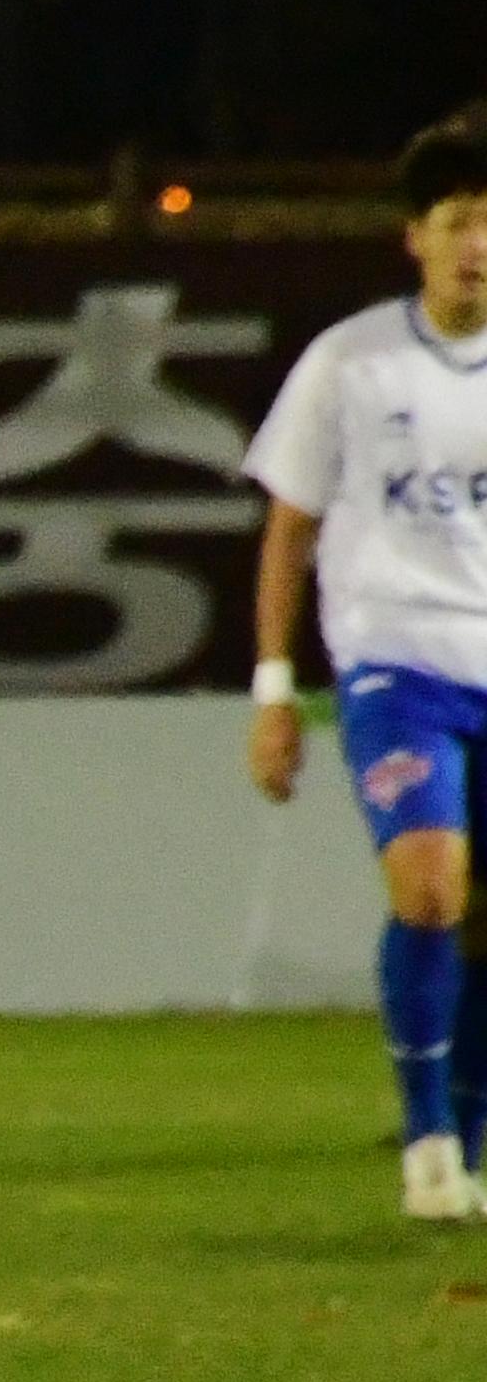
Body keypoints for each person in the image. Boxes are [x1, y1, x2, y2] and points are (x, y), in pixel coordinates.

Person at [245, 107, 487, 1220]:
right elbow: (289, 527)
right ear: (416, 237)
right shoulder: (350, 361)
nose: (476, 244)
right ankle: (428, 1133)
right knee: (431, 883)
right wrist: (273, 688)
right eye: (457, 222)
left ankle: (472, 1128)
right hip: (396, 662)